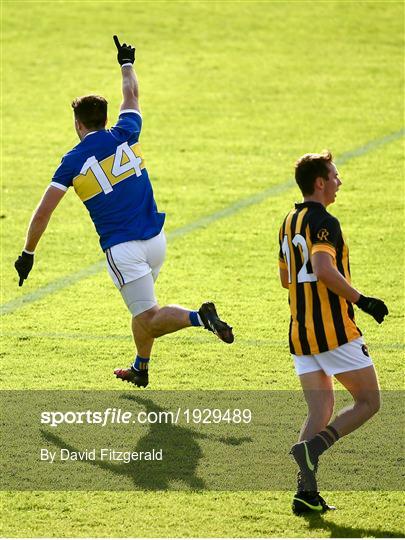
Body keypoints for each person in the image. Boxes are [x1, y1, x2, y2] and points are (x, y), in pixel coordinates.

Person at [14, 36, 234, 388]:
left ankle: (199, 317)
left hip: (124, 249)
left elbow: (43, 213)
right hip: (156, 240)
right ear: (104, 118)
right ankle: (140, 368)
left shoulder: (71, 163)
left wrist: (28, 252)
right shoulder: (126, 131)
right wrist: (126, 63)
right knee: (144, 311)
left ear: (78, 125)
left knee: (148, 316)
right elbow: (131, 96)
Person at [278, 151, 388, 515]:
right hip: (334, 332)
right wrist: (363, 300)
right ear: (320, 183)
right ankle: (315, 447)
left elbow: (285, 279)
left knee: (321, 409)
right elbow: (324, 269)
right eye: (335, 177)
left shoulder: (288, 222)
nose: (340, 182)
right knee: (369, 402)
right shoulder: (325, 221)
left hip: (299, 334)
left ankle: (305, 494)